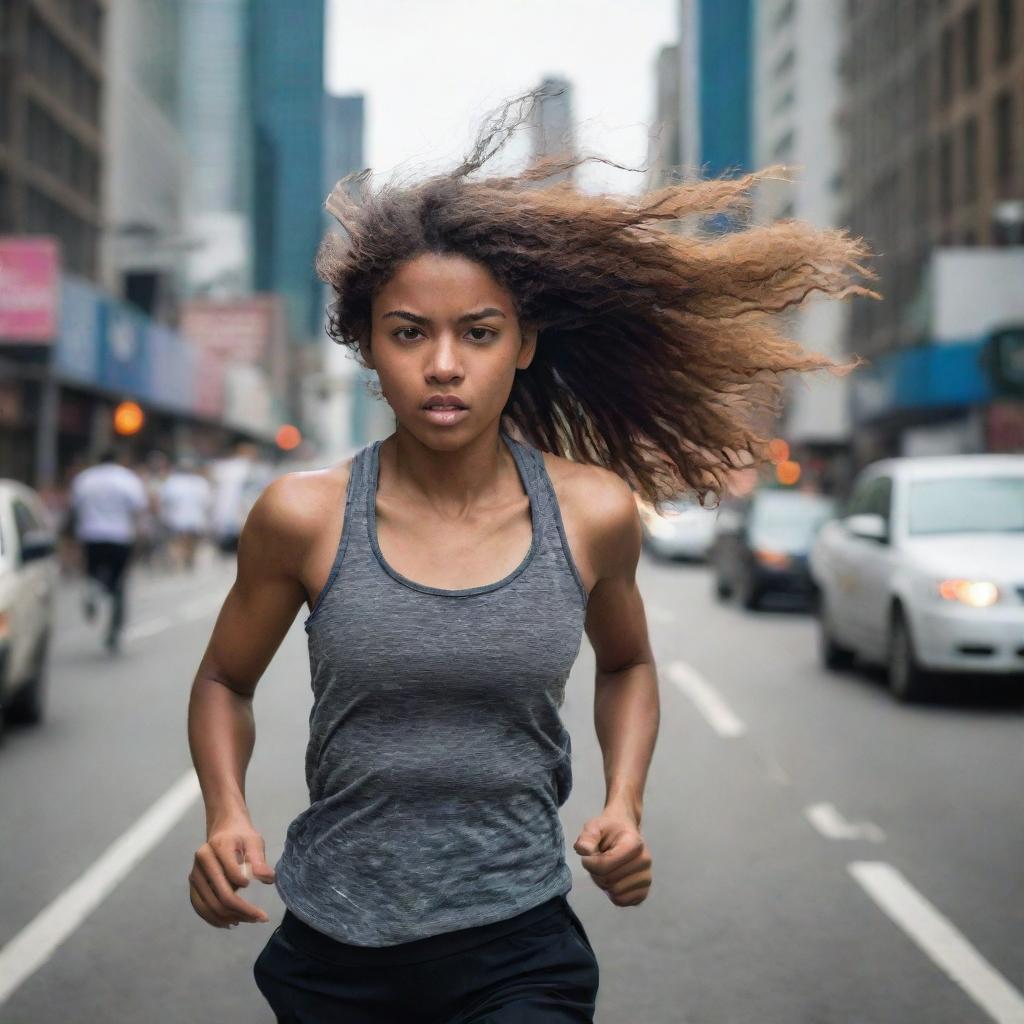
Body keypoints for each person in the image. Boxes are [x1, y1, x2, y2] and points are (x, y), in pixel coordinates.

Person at [186, 93, 876, 1023]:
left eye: (478, 332)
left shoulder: (589, 511)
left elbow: (628, 662)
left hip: (518, 943)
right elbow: (225, 681)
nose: (442, 364)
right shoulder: (303, 516)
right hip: (335, 944)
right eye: (408, 333)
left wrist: (625, 804)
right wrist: (225, 813)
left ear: (522, 345)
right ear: (368, 348)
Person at [70, 448, 149, 652]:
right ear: (118, 459)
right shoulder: (128, 480)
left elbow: (75, 508)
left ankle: (93, 590)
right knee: (118, 586)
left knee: (93, 574)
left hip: (91, 536)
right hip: (119, 537)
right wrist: (140, 537)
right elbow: (138, 509)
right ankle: (114, 630)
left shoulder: (85, 479)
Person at [158, 456, 213, 571]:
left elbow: (164, 501)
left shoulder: (172, 482)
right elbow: (207, 503)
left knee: (178, 542)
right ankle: (187, 561)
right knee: (190, 543)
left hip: (176, 519)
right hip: (194, 519)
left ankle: (180, 562)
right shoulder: (200, 483)